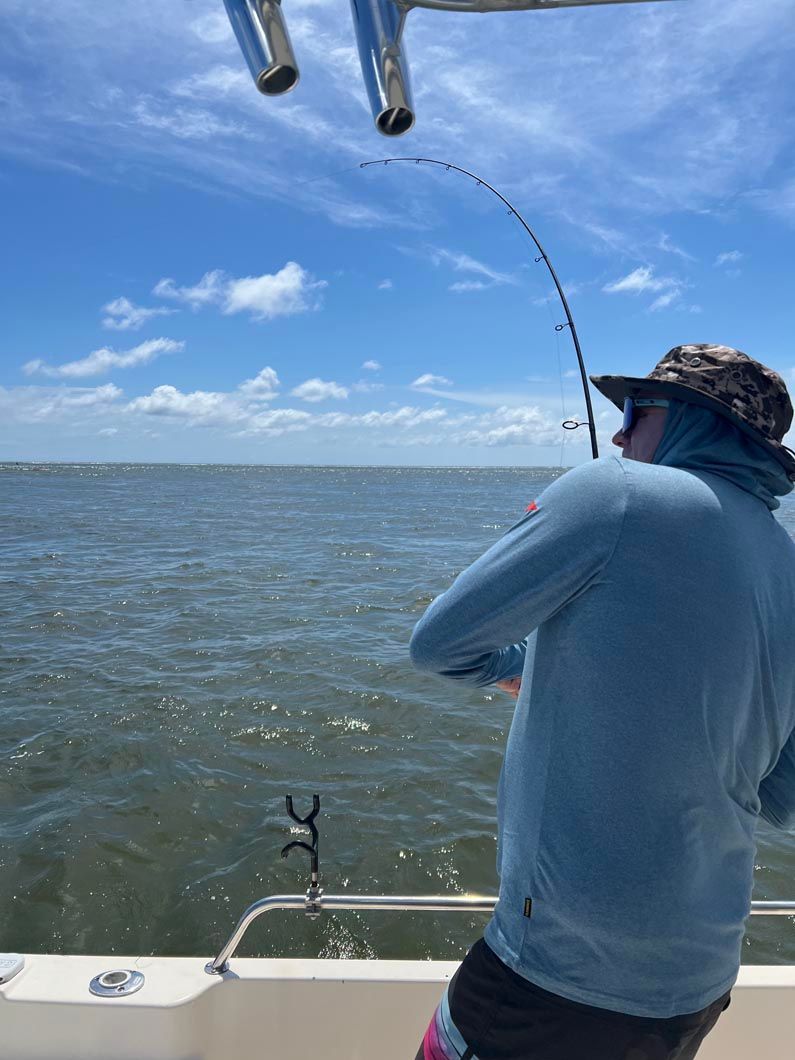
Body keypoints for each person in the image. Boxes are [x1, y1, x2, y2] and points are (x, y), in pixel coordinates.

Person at [409, 344, 795, 1060]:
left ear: (688, 420)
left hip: (559, 973)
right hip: (698, 980)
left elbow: (439, 644)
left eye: (636, 412)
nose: (617, 435)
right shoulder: (786, 562)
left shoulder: (613, 492)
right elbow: (781, 792)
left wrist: (516, 667)